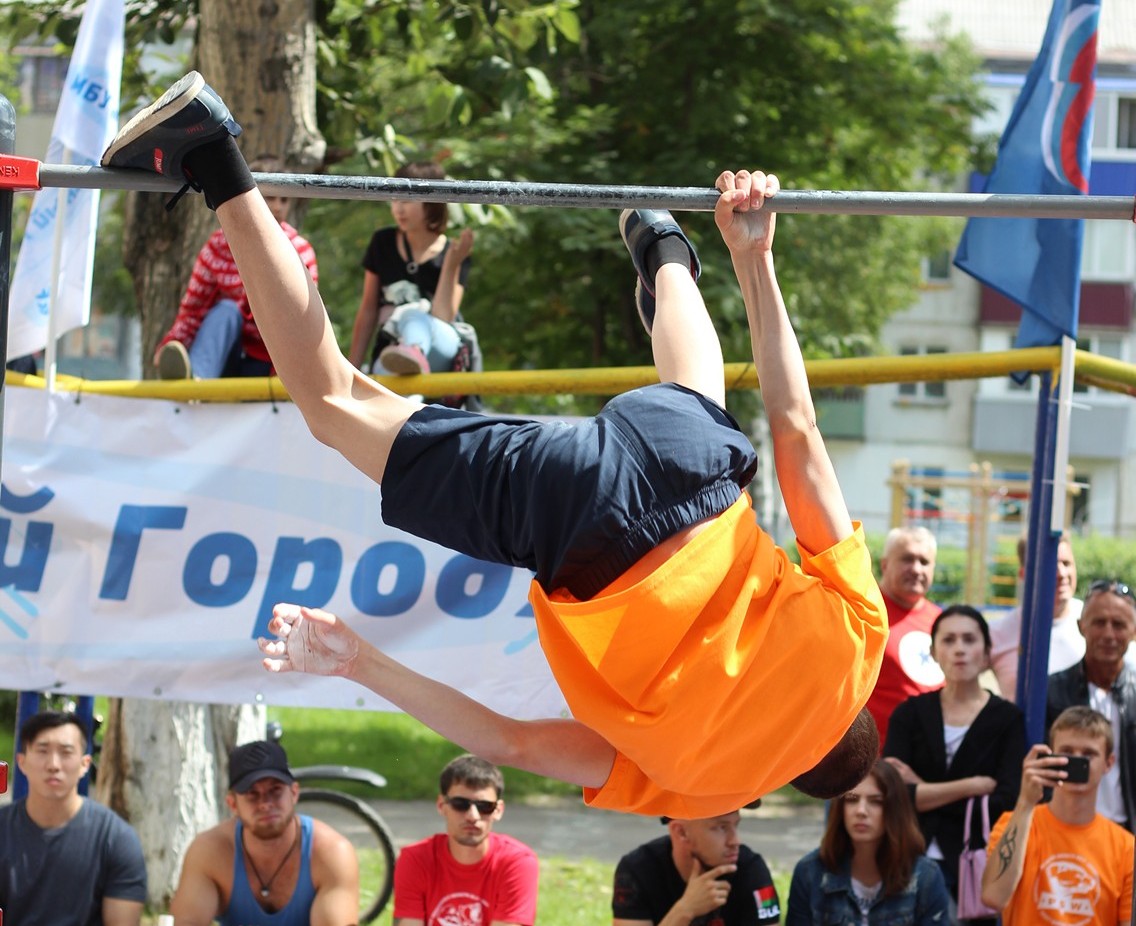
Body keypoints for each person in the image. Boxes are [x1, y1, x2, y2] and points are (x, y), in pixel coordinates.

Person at [101, 73, 888, 818]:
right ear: (790, 781)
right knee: (334, 403)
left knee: (698, 411)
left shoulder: (861, 639)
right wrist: (357, 660)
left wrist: (756, 258)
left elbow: (796, 431)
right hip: (578, 528)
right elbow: (504, 742)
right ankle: (213, 156)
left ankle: (667, 254)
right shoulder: (708, 792)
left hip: (693, 477)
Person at [883, 604, 1026, 922]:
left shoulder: (1008, 719)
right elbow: (894, 795)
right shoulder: (909, 714)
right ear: (933, 652)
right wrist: (973, 787)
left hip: (976, 867)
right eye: (948, 640)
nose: (959, 649)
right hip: (909, 858)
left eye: (969, 639)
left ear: (987, 652)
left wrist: (922, 790)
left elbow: (1005, 799)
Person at [154, 155, 319, 379]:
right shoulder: (219, 246)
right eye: (269, 198)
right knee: (227, 311)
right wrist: (174, 342)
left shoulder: (299, 251)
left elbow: (305, 319)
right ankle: (195, 381)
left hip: (272, 358)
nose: (278, 207)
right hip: (226, 354)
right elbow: (194, 307)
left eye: (284, 200)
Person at [168, 739, 359, 926]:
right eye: (252, 794)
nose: (266, 804)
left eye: (275, 790)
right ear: (233, 804)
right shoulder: (209, 851)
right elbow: (188, 921)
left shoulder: (331, 852)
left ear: (294, 793)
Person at [981, 706, 1134, 924]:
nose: (1076, 760)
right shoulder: (1015, 821)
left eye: (1089, 754)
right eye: (1067, 752)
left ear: (1109, 763)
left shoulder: (1126, 848)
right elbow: (993, 897)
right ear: (1052, 756)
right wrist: (1025, 802)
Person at [0, 710, 147, 926]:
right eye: (42, 751)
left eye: (66, 752)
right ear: (21, 762)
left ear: (85, 764)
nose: (53, 765)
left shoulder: (117, 839)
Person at [347, 161, 474, 375]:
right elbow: (368, 310)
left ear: (432, 200)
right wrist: (351, 370)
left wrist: (451, 265)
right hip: (391, 348)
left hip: (440, 347)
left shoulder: (454, 251)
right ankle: (408, 362)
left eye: (407, 198)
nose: (398, 208)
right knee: (392, 377)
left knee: (412, 317)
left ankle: (413, 349)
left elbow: (444, 317)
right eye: (394, 198)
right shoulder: (382, 242)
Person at [786, 759, 950, 925]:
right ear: (839, 808)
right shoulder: (809, 872)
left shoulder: (926, 876)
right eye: (852, 799)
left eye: (875, 801)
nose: (861, 811)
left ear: (895, 809)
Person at [393, 754, 537, 926]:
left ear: (498, 810)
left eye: (485, 806)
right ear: (441, 805)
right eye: (460, 804)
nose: (473, 816)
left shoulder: (516, 862)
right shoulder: (415, 859)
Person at [1047, 579, 1136, 832]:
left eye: (1118, 624)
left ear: (1134, 631)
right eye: (1099, 622)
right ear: (1080, 626)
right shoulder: (1051, 693)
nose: (1108, 634)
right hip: (1068, 829)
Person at [612, 809, 781, 926]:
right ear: (681, 832)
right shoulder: (637, 870)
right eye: (721, 827)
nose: (735, 841)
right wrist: (685, 910)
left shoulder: (751, 869)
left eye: (735, 825)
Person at [867, 526, 944, 746]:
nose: (916, 569)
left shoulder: (942, 622)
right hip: (874, 761)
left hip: (926, 759)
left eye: (924, 562)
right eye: (907, 559)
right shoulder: (863, 612)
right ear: (884, 565)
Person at [989, 533, 1082, 702]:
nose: (1061, 573)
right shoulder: (998, 633)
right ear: (1024, 574)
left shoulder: (1097, 624)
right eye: (1051, 565)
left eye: (1067, 563)